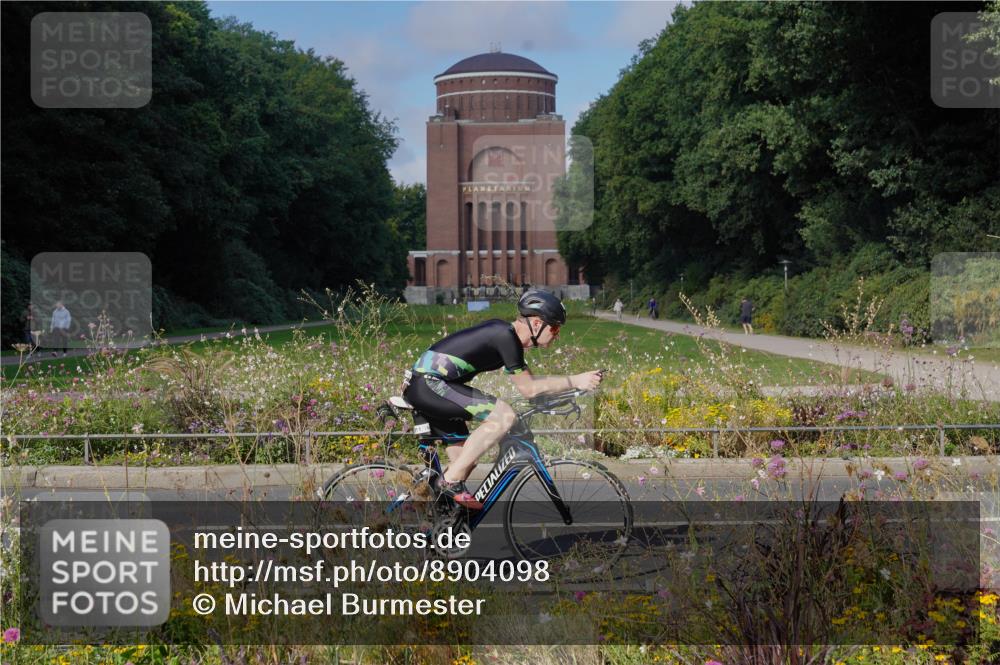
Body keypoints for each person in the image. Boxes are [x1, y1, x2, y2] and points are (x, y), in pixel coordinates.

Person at [402, 289, 604, 509]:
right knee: (503, 416)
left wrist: (569, 392)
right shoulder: (505, 336)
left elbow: (532, 385)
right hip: (429, 384)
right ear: (537, 324)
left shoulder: (506, 336)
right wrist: (575, 380)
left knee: (466, 460)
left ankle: (437, 518)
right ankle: (449, 481)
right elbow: (529, 389)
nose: (557, 335)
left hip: (430, 386)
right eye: (555, 328)